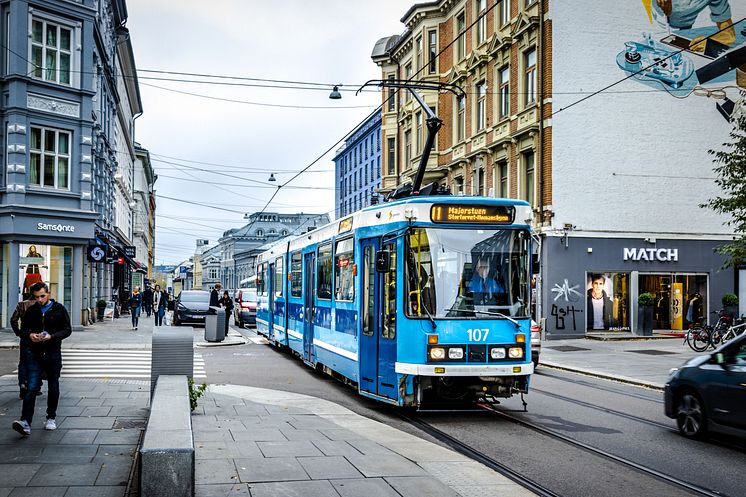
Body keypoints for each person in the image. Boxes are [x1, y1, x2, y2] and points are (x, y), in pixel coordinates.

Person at [12, 282, 72, 436]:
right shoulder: (32, 311)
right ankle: (25, 421)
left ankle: (51, 417)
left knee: (53, 386)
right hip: (35, 353)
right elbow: (24, 329)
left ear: (49, 293)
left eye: (42, 296)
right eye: (37, 297)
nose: (39, 299)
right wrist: (30, 335)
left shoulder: (59, 309)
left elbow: (67, 329)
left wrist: (52, 336)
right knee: (31, 387)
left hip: (52, 354)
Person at [10, 295, 38, 399]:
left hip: (25, 336)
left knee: (23, 362)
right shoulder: (40, 304)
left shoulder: (22, 304)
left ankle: (22, 384)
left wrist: (18, 332)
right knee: (36, 361)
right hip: (37, 337)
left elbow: (13, 320)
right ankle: (34, 386)